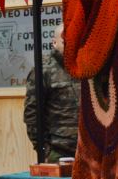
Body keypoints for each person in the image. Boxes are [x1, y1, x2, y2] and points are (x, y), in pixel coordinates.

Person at [23, 25, 80, 161]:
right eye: (65, 42)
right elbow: (32, 114)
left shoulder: (87, 67)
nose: (71, 45)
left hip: (90, 151)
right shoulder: (43, 69)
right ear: (54, 43)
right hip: (59, 152)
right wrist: (45, 151)